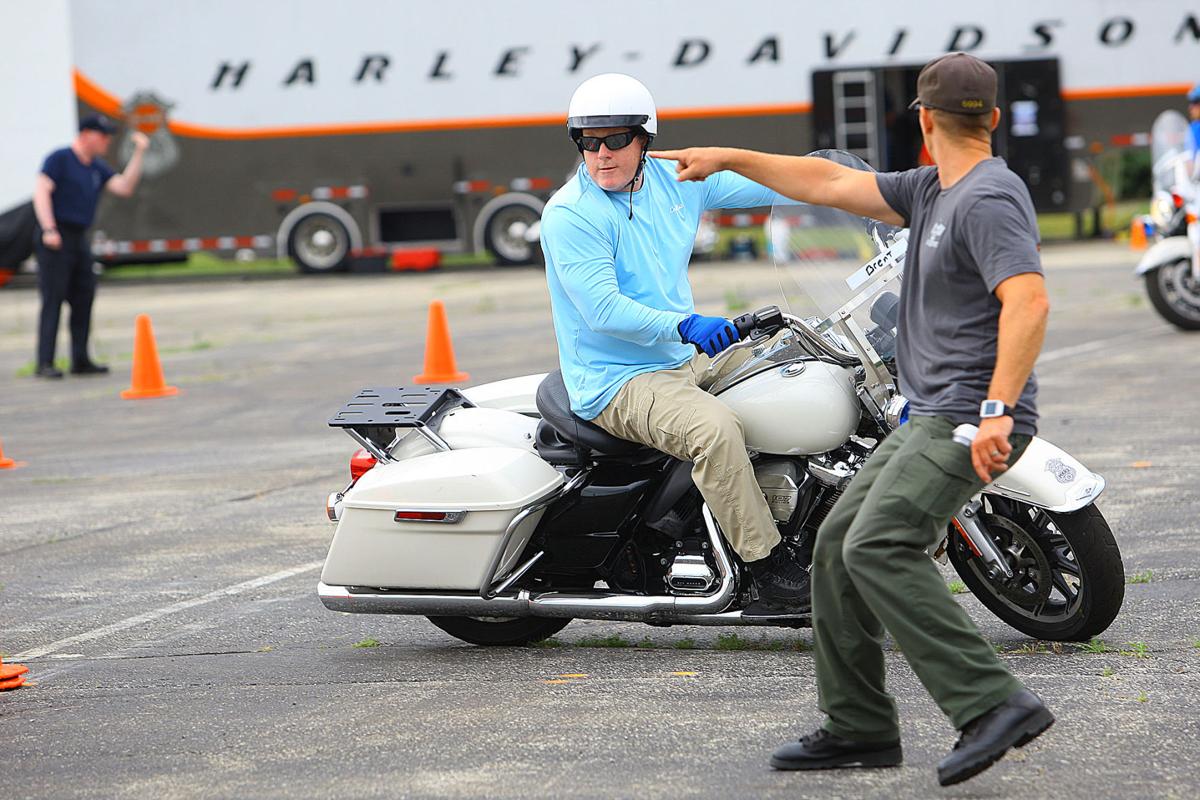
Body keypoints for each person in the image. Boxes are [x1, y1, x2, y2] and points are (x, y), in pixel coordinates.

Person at [655, 52, 1054, 786]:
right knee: (839, 545)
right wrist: (726, 159)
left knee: (878, 545)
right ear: (992, 118)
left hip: (968, 417)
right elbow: (830, 182)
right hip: (932, 414)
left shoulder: (988, 197)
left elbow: (1027, 301)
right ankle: (860, 726)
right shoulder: (934, 190)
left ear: (925, 120)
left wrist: (997, 412)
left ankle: (991, 704)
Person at [539, 73, 810, 618]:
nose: (601, 154)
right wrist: (687, 326)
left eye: (615, 139)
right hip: (617, 379)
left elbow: (773, 184)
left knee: (801, 364)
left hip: (681, 359)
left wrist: (855, 180)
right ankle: (768, 568)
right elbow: (603, 311)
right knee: (714, 431)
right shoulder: (571, 215)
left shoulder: (674, 179)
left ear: (645, 139)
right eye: (588, 142)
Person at [31, 114, 149, 378]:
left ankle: (80, 359)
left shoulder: (96, 167)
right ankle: (45, 362)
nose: (107, 141)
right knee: (53, 298)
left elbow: (124, 187)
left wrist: (139, 153)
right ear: (86, 134)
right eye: (103, 135)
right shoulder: (60, 159)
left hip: (78, 237)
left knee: (84, 296)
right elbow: (41, 191)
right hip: (55, 235)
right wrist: (49, 228)